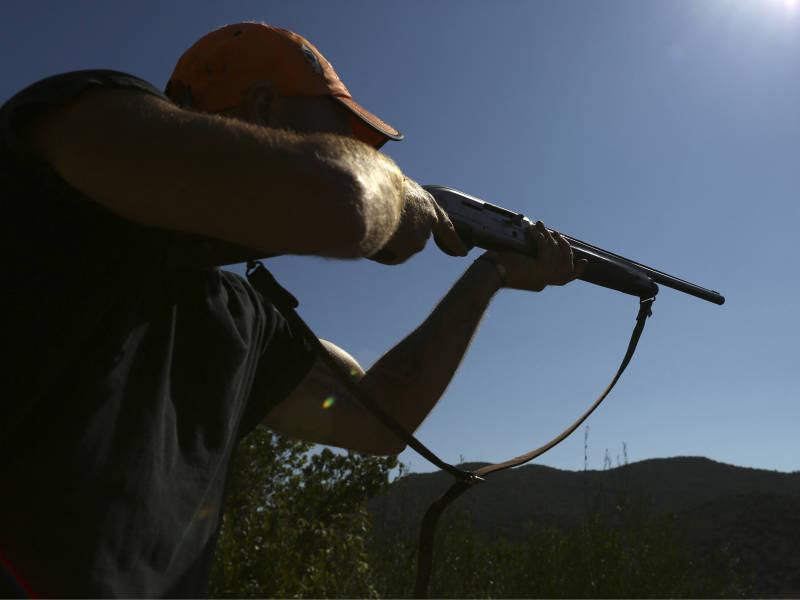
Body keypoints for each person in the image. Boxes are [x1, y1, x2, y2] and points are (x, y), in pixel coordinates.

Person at [0, 22, 584, 597]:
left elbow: (379, 417)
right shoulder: (76, 123)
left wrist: (491, 274)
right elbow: (342, 199)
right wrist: (396, 195)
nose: (364, 157)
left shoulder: (242, 321)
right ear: (263, 106)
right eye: (346, 140)